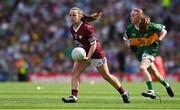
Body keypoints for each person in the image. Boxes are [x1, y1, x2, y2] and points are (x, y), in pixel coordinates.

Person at [62, 7, 130, 103]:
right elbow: (80, 42)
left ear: (80, 16)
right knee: (75, 74)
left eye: (74, 15)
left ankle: (124, 93)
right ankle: (73, 97)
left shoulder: (87, 28)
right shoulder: (72, 28)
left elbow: (93, 44)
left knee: (106, 76)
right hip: (85, 54)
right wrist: (79, 52)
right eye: (70, 15)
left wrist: (88, 57)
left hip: (96, 54)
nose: (71, 17)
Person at [123, 8, 174, 99]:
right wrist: (130, 46)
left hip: (150, 50)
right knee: (156, 74)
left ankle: (151, 91)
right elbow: (125, 40)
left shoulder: (149, 25)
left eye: (133, 15)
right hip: (140, 53)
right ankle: (167, 85)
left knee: (142, 68)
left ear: (139, 17)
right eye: (131, 15)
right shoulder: (130, 28)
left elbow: (164, 30)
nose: (131, 17)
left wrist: (159, 39)